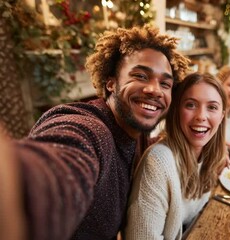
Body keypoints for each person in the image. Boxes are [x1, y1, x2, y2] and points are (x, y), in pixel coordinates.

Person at [0, 25, 190, 240]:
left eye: (165, 83)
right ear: (110, 83)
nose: (155, 90)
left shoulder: (137, 134)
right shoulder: (91, 130)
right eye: (140, 76)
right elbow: (60, 162)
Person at [124, 72, 226, 239]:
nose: (201, 116)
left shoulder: (209, 154)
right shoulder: (158, 163)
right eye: (191, 105)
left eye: (212, 107)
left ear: (222, 116)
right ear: (176, 110)